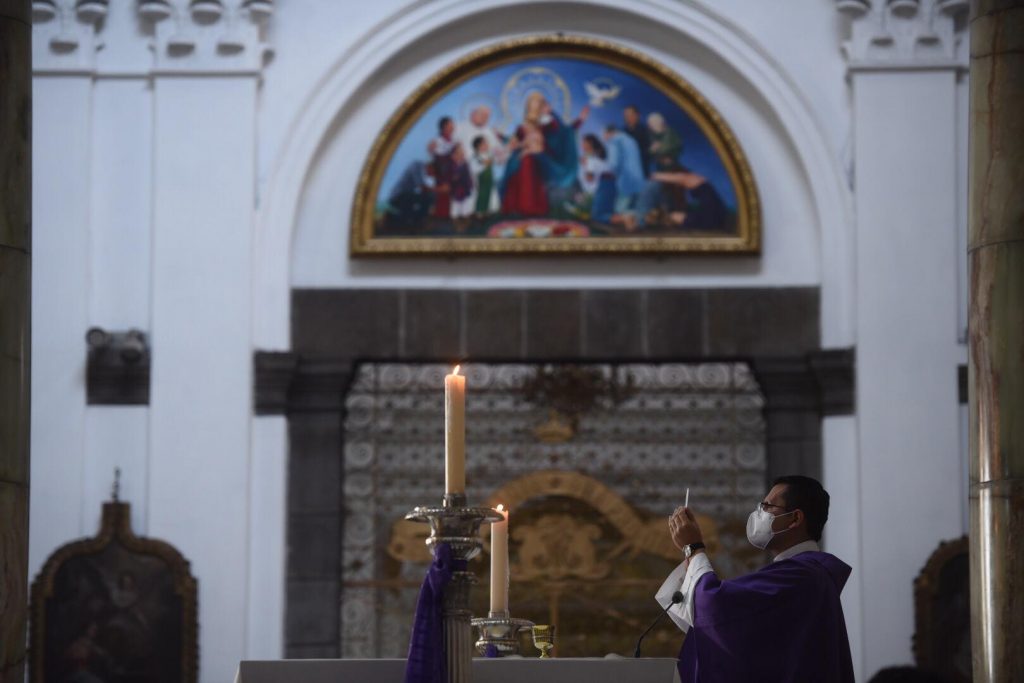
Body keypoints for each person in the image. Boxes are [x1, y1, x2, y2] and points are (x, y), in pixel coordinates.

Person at [656, 475, 855, 683]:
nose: (758, 513)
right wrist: (691, 553)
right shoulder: (803, 574)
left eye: (767, 506)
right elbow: (740, 634)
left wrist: (693, 547)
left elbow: (715, 606)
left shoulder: (803, 576)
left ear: (795, 518)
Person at [578, 133, 616, 223]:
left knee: (597, 216)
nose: (581, 144)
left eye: (584, 142)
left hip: (599, 191)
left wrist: (585, 167)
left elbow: (589, 178)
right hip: (607, 189)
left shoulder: (590, 159)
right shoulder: (597, 157)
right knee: (605, 214)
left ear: (590, 144)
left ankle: (624, 219)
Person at [622, 105, 651, 176]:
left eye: (630, 115)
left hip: (641, 169)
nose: (627, 117)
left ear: (637, 115)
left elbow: (648, 151)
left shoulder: (645, 131)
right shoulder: (622, 132)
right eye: (625, 115)